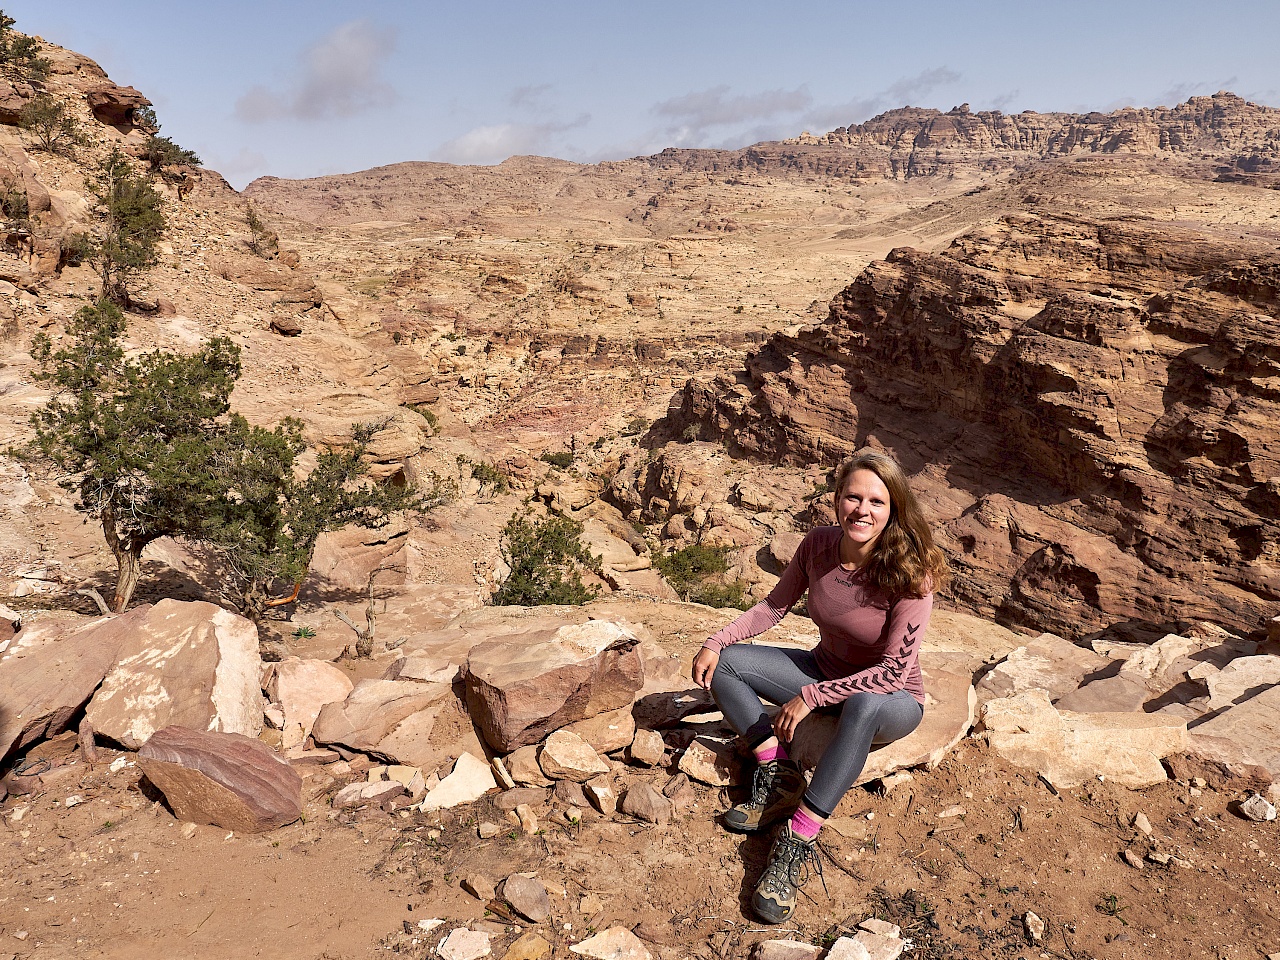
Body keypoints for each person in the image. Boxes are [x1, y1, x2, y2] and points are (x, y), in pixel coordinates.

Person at [690, 449, 949, 924]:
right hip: (822, 667)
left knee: (865, 705)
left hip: (890, 698)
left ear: (894, 511)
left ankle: (799, 836)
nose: (862, 511)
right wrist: (716, 639)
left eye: (877, 501)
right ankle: (779, 774)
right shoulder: (818, 546)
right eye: (853, 497)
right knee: (726, 665)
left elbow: (893, 671)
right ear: (836, 499)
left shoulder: (912, 575)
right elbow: (773, 607)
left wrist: (810, 697)